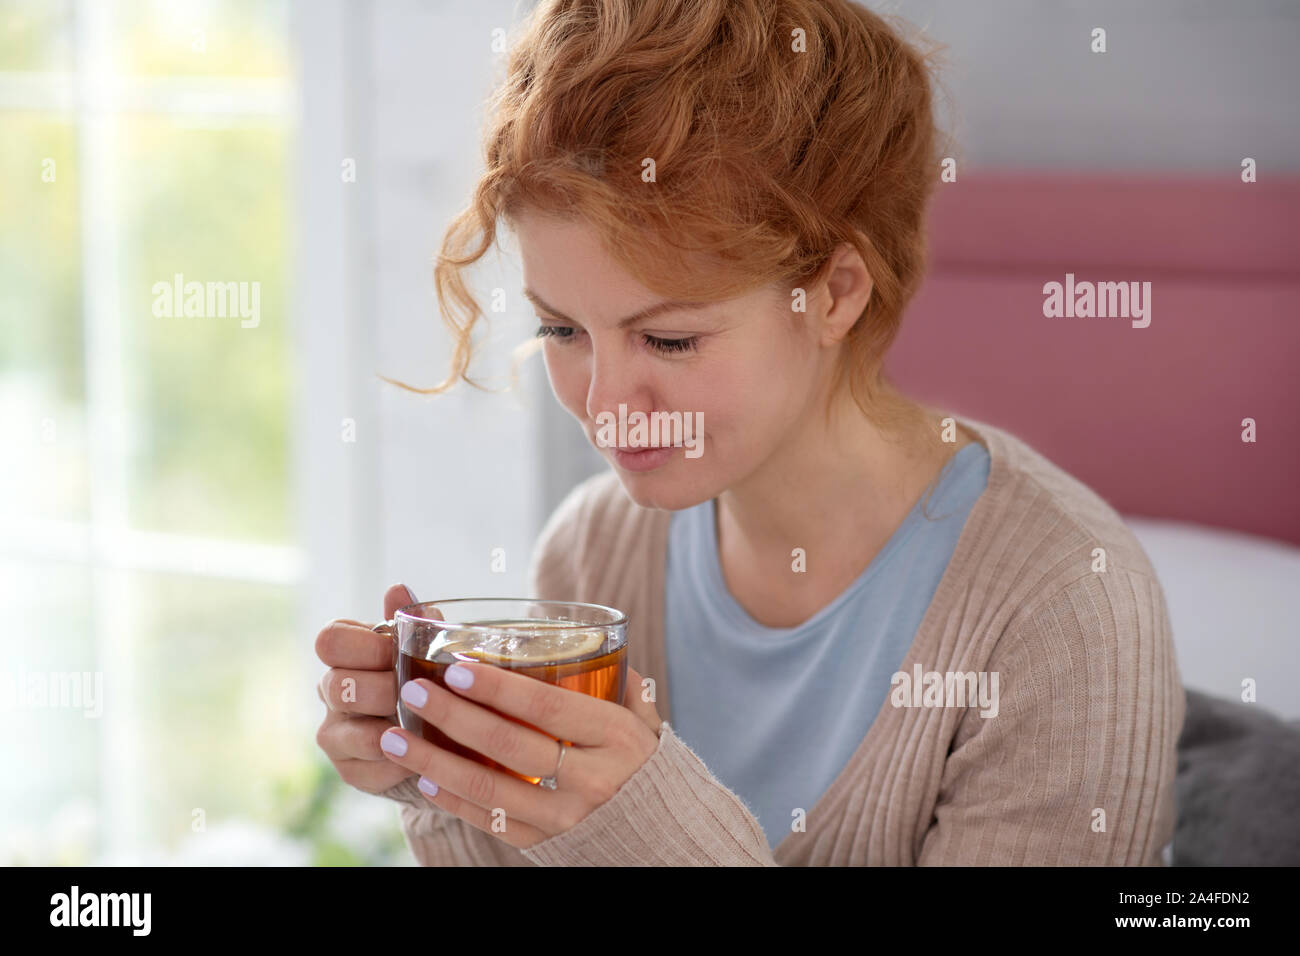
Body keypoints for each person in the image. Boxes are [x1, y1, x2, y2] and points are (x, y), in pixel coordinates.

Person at [314, 0, 1184, 865]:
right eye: (562, 330)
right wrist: (448, 777)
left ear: (835, 294)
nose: (608, 403)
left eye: (669, 339)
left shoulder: (1065, 612)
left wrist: (652, 834)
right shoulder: (596, 553)